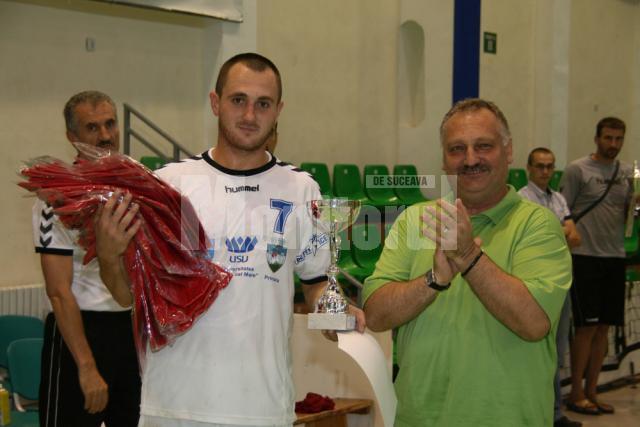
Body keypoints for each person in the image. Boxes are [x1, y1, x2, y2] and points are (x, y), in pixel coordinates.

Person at [94, 53, 365, 427]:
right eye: (239, 100)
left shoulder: (301, 189)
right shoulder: (169, 185)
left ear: (278, 110)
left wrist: (334, 310)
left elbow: (317, 283)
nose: (250, 115)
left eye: (263, 104)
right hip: (173, 407)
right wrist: (110, 257)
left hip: (262, 409)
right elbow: (127, 296)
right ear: (215, 102)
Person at [363, 98, 572, 426]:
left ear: (509, 151)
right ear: (444, 160)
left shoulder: (538, 225)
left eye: (483, 146)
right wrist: (433, 280)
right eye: (457, 149)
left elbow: (533, 323)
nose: (470, 159)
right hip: (420, 419)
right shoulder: (415, 221)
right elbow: (375, 314)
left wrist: (467, 256)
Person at [33, 91, 141, 427]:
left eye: (110, 124)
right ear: (72, 137)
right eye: (92, 128)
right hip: (79, 334)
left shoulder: (137, 187)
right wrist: (87, 367)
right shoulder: (56, 198)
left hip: (129, 332)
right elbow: (58, 291)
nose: (106, 135)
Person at [560, 117, 634, 416]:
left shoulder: (629, 172)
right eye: (608, 138)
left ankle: (592, 391)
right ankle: (575, 393)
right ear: (596, 138)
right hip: (585, 259)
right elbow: (562, 211)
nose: (613, 144)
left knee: (603, 329)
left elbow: (631, 208)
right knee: (586, 329)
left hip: (614, 258)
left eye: (618, 139)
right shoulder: (578, 169)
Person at [519, 147, 582, 427]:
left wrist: (554, 234)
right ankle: (535, 411)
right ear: (529, 168)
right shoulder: (522, 199)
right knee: (534, 354)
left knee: (556, 352)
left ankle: (554, 413)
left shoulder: (558, 198)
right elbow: (535, 242)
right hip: (532, 287)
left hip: (561, 284)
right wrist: (559, 232)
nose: (546, 171)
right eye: (540, 166)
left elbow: (576, 236)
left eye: (550, 166)